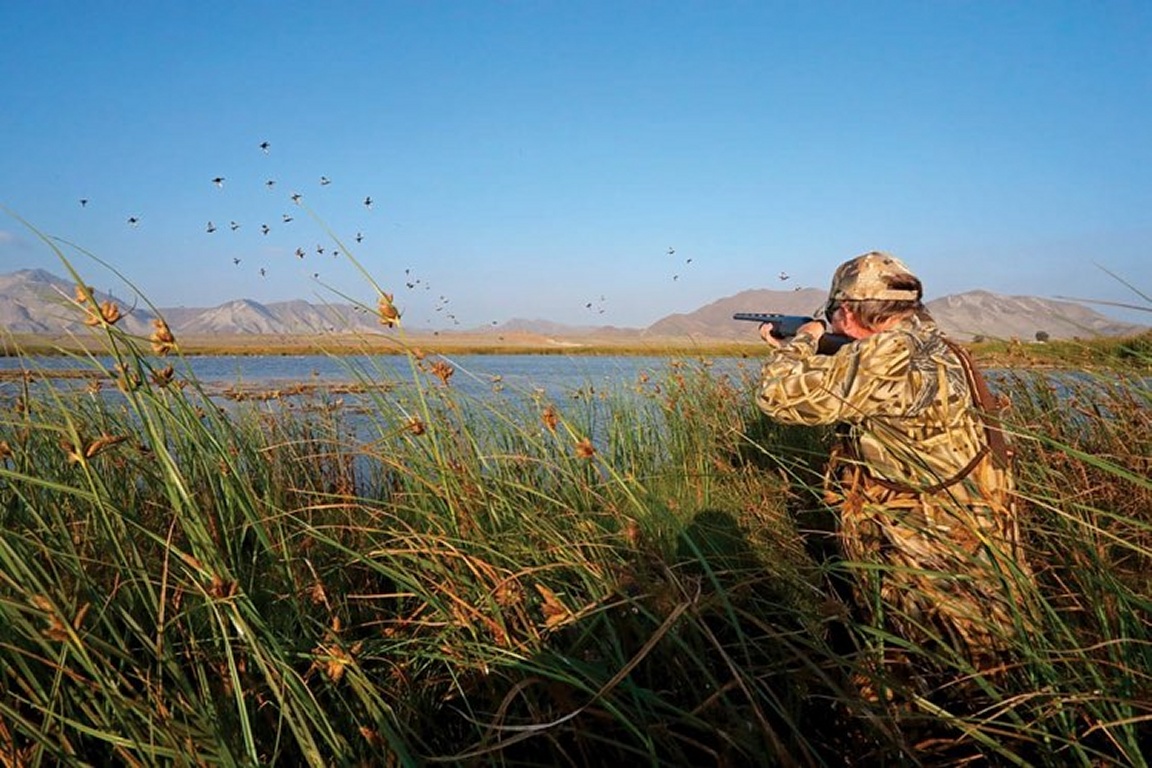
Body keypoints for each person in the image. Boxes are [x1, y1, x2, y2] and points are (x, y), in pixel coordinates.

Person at [754, 251, 1033, 676]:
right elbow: (864, 377)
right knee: (988, 639)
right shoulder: (935, 344)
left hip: (927, 535)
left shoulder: (887, 359)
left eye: (832, 313)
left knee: (938, 652)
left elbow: (776, 398)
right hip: (974, 517)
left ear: (846, 311)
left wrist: (803, 341)